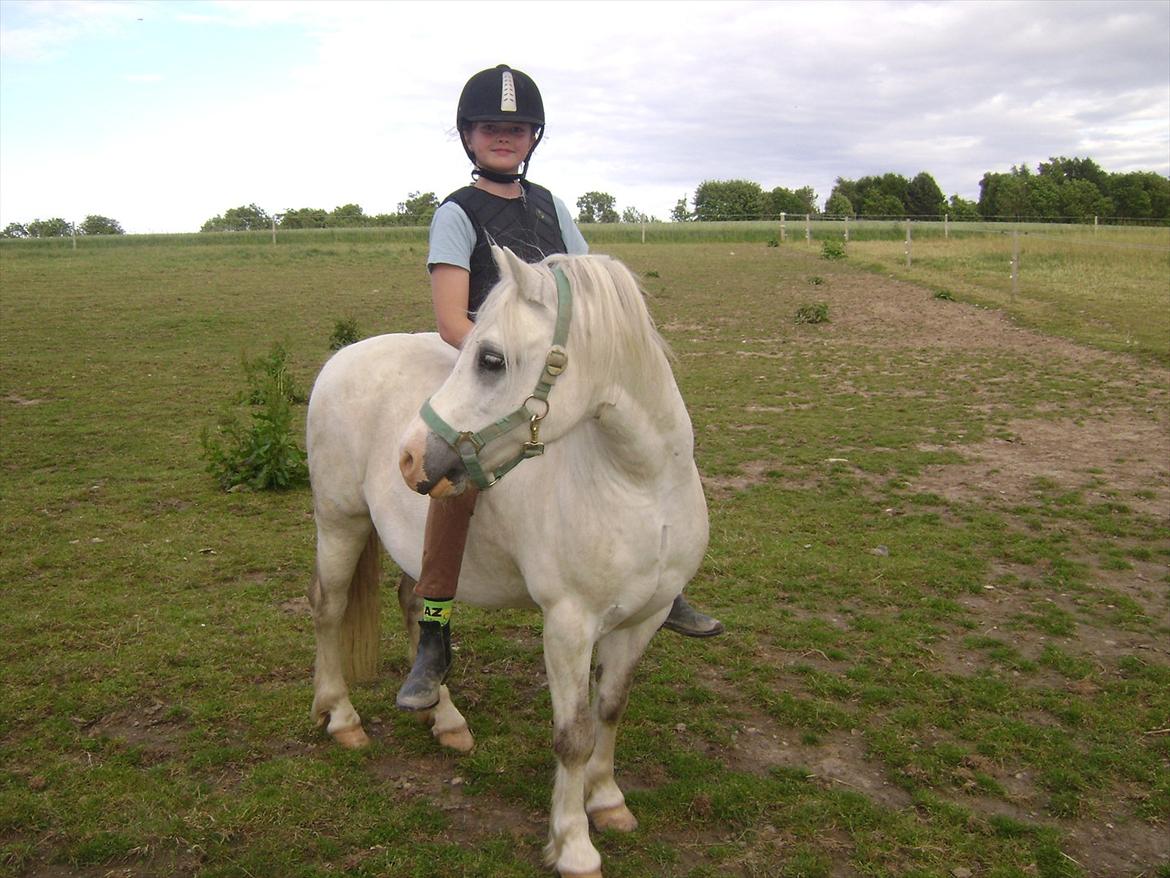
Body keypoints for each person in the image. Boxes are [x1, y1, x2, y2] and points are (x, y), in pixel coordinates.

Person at [397, 64, 723, 713]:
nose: (504, 139)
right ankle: (434, 630)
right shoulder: (456, 215)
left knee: (648, 442)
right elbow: (451, 320)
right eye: (492, 129)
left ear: (532, 138)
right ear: (468, 136)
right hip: (486, 365)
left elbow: (592, 284)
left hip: (550, 369)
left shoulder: (551, 206)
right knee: (457, 479)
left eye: (516, 130)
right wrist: (510, 364)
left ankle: (660, 584)